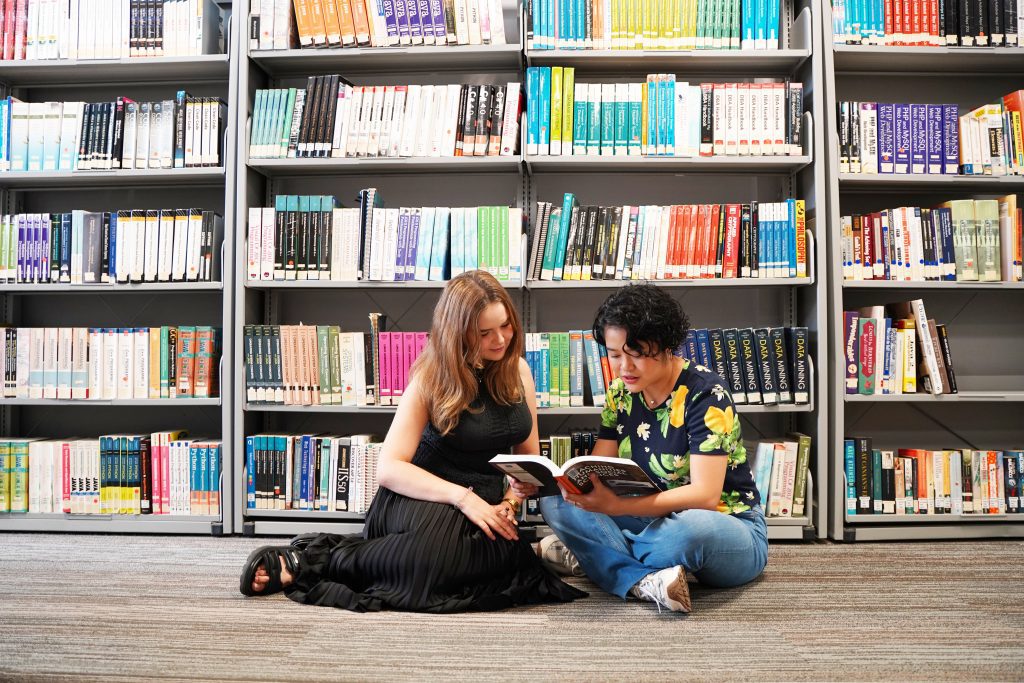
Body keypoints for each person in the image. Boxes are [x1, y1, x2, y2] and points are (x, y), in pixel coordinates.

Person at [240, 270, 586, 612]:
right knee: (436, 562)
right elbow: (389, 468)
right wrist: (462, 498)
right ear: (459, 334)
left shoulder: (519, 372)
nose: (500, 339)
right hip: (420, 496)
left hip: (483, 504)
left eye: (506, 325)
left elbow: (527, 463)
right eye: (484, 332)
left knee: (496, 556)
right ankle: (311, 559)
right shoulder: (431, 378)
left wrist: (510, 503)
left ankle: (359, 555)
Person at [539, 284, 768, 613]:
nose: (623, 368)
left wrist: (615, 509)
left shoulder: (705, 393)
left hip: (725, 525)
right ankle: (644, 579)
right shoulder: (620, 393)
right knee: (557, 502)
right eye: (615, 355)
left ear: (665, 346)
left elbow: (705, 496)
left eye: (636, 355)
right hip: (648, 518)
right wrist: (564, 482)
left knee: (688, 532)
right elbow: (596, 466)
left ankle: (598, 557)